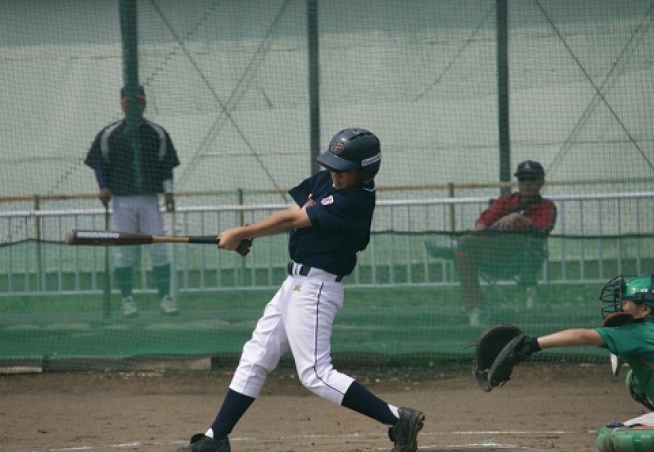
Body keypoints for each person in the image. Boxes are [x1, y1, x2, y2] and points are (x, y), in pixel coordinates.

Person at [174, 128, 425, 452]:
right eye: (332, 165)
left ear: (365, 171)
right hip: (294, 284)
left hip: (316, 288)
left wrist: (241, 232)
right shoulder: (331, 180)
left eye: (343, 169)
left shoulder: (353, 199)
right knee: (256, 356)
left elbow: (292, 219)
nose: (334, 174)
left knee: (316, 374)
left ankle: (398, 419)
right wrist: (247, 234)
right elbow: (294, 214)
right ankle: (215, 438)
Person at [506, 274, 654, 452]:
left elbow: (581, 336)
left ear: (645, 309)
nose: (620, 307)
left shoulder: (638, 331)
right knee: (634, 381)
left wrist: (531, 345)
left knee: (611, 437)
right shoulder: (645, 331)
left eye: (626, 302)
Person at [85, 85, 180, 317]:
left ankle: (165, 298)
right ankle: (127, 300)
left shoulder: (156, 132)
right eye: (129, 102)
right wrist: (103, 187)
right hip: (121, 201)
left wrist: (169, 193)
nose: (134, 106)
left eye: (138, 102)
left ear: (144, 103)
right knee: (124, 252)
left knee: (158, 248)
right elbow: (99, 163)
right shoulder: (110, 133)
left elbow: (166, 165)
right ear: (122, 104)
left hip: (149, 200)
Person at [453, 160, 556, 326]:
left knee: (465, 247)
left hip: (522, 258)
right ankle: (478, 307)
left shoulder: (547, 206)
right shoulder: (505, 201)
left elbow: (542, 232)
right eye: (522, 179)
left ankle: (456, 244)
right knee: (462, 253)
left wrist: (519, 218)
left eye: (532, 179)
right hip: (492, 255)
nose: (527, 183)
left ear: (541, 182)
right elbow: (484, 220)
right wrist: (480, 228)